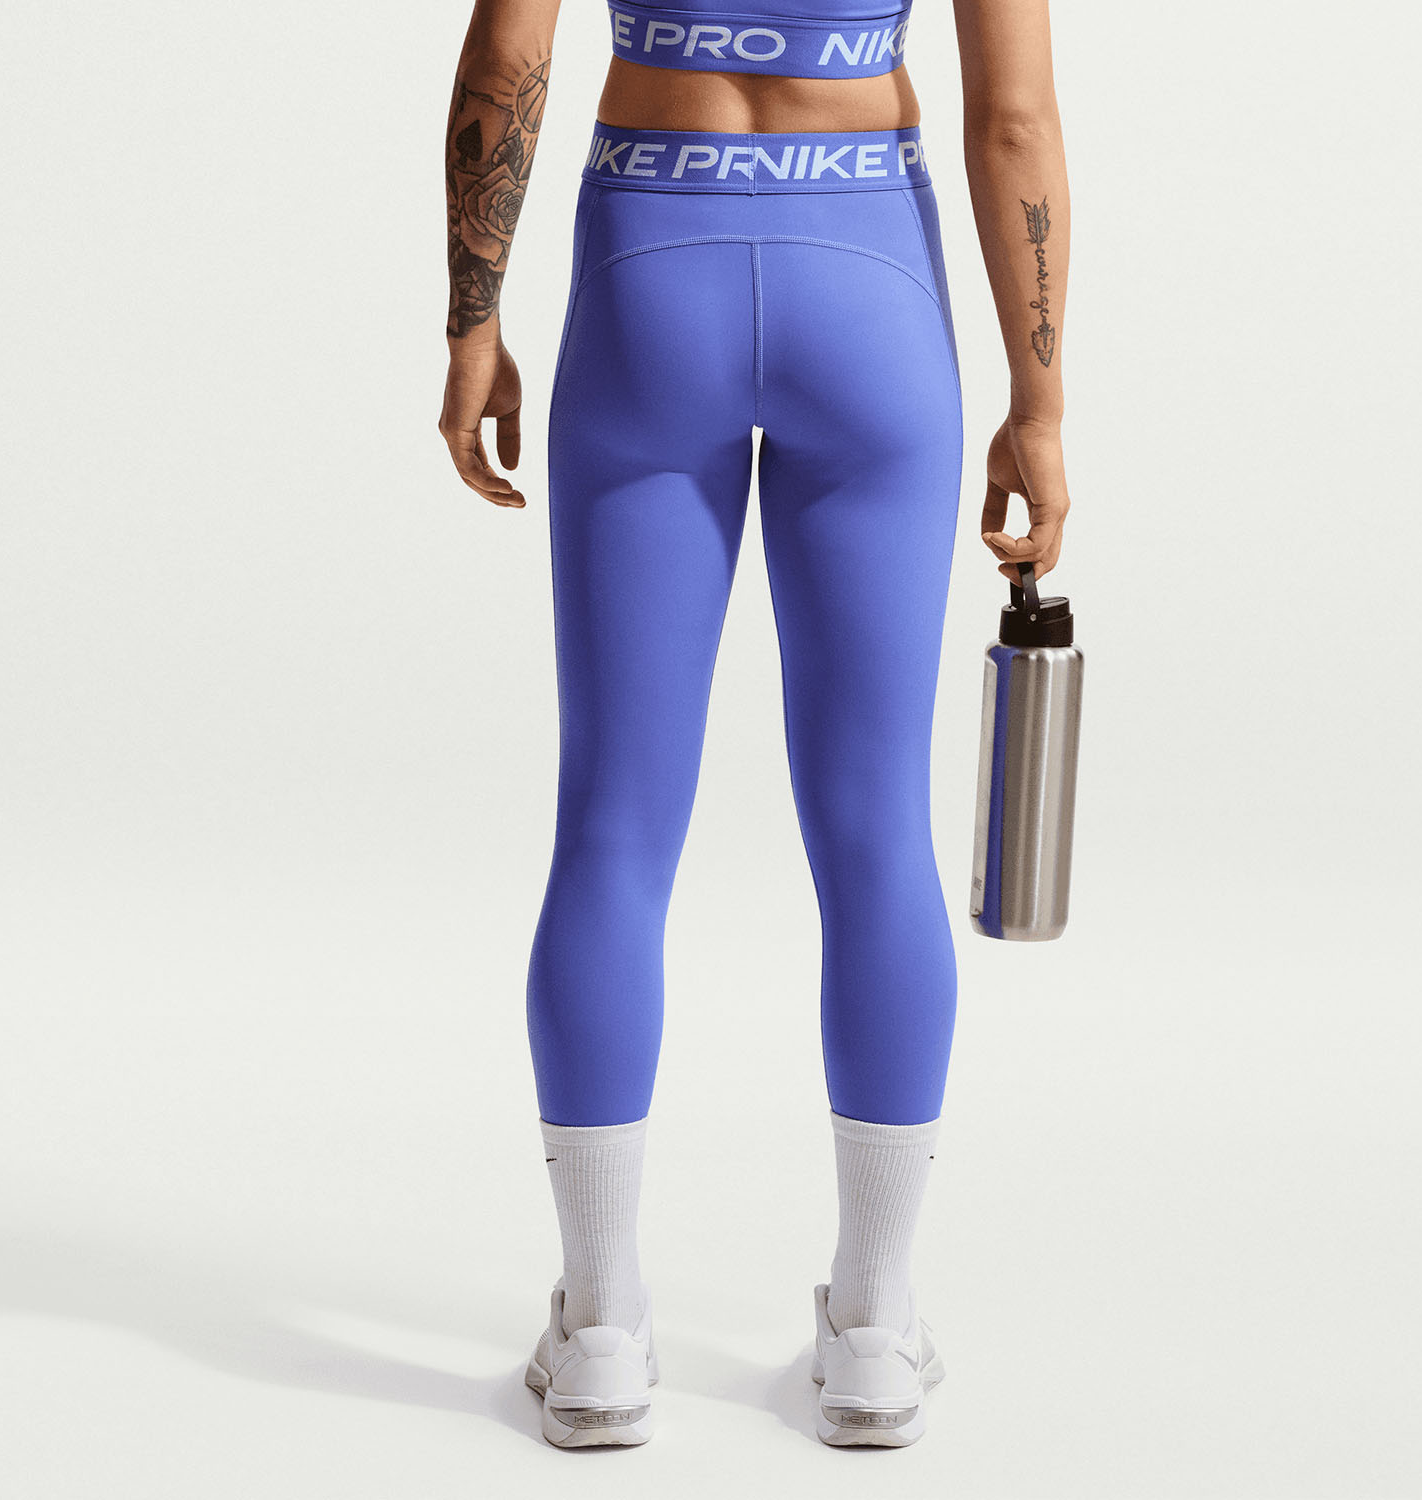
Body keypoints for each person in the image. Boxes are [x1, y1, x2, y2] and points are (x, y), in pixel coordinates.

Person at [439, 0, 1072, 1450]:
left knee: (613, 827)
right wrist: (1038, 404)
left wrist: (472, 319)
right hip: (867, 275)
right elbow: (1014, 118)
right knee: (875, 829)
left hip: (650, 262)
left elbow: (508, 58)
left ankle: (602, 1327)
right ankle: (876, 1328)